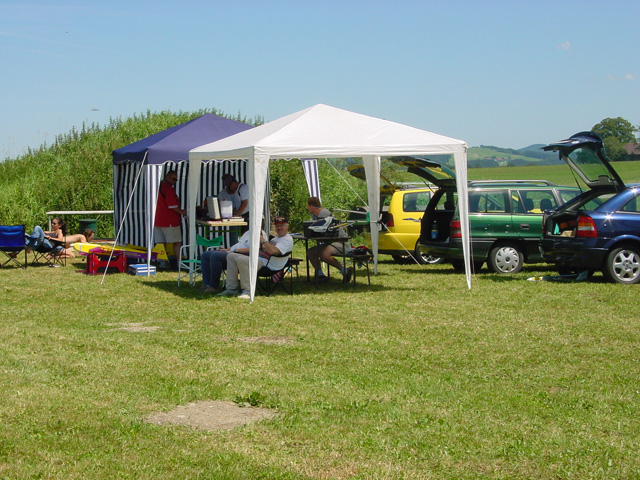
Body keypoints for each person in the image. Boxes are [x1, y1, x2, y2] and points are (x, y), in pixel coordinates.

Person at [218, 216, 293, 300]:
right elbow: (264, 250)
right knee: (231, 256)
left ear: (287, 226)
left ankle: (248, 291)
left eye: (282, 225)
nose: (279, 228)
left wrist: (262, 240)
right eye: (277, 226)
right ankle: (231, 288)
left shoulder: (287, 239)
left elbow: (272, 251)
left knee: (241, 259)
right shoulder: (276, 238)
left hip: (270, 265)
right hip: (262, 259)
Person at [199, 225, 267, 294]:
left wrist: (236, 251)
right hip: (232, 252)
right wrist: (227, 249)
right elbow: (239, 244)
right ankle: (206, 284)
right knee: (206, 254)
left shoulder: (261, 235)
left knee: (216, 256)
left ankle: (213, 286)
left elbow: (255, 249)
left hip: (239, 255)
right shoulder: (247, 233)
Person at [305, 197, 353, 283]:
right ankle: (320, 275)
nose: (308, 208)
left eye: (308, 206)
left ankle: (345, 271)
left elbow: (324, 230)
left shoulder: (324, 213)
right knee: (311, 252)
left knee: (325, 255)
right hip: (329, 242)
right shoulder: (315, 216)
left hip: (340, 241)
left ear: (311, 206)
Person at [154, 170, 186, 268]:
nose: (175, 181)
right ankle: (179, 263)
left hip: (157, 220)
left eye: (176, 179)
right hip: (169, 221)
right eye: (173, 179)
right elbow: (172, 206)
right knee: (177, 242)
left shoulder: (156, 186)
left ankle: (162, 262)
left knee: (160, 242)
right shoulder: (168, 189)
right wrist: (182, 212)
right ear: (167, 177)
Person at [219, 174, 250, 241]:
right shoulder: (236, 190)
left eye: (230, 186)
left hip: (247, 215)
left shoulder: (244, 188)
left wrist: (237, 213)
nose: (229, 188)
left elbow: (245, 202)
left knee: (246, 237)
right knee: (236, 234)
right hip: (240, 216)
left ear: (234, 183)